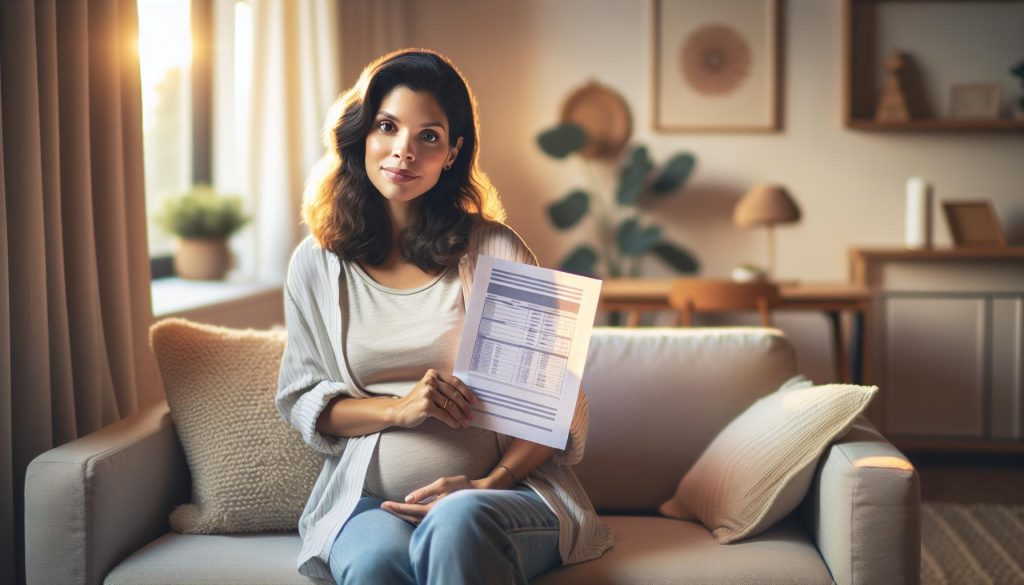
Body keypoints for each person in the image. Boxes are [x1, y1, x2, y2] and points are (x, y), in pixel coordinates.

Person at [276, 49, 612, 585]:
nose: (403, 151)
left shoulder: (495, 249)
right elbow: (304, 400)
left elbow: (551, 407)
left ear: (453, 151)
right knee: (374, 566)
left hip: (500, 496)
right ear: (362, 133)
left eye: (428, 136)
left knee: (456, 523)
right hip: (371, 503)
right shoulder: (317, 265)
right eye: (387, 126)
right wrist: (396, 410)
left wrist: (486, 484)